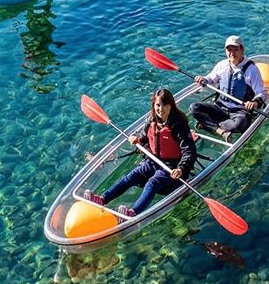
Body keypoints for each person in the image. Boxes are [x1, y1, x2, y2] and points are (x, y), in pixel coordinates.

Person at [83, 88, 196, 217]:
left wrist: (181, 169)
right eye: (158, 105)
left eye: (165, 104)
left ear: (171, 105)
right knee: (132, 175)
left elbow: (190, 151)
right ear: (154, 105)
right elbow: (144, 139)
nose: (161, 109)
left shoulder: (179, 124)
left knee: (152, 183)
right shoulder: (151, 120)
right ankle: (103, 199)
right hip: (154, 161)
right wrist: (137, 140)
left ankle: (132, 213)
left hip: (172, 166)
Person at [191, 35, 266, 141]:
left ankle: (207, 124)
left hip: (239, 112)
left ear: (242, 49)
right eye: (229, 50)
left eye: (235, 49)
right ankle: (220, 130)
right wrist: (203, 79)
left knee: (239, 124)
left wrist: (254, 103)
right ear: (225, 51)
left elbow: (261, 92)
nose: (232, 53)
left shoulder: (251, 70)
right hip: (220, 107)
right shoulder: (222, 65)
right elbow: (211, 79)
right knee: (194, 107)